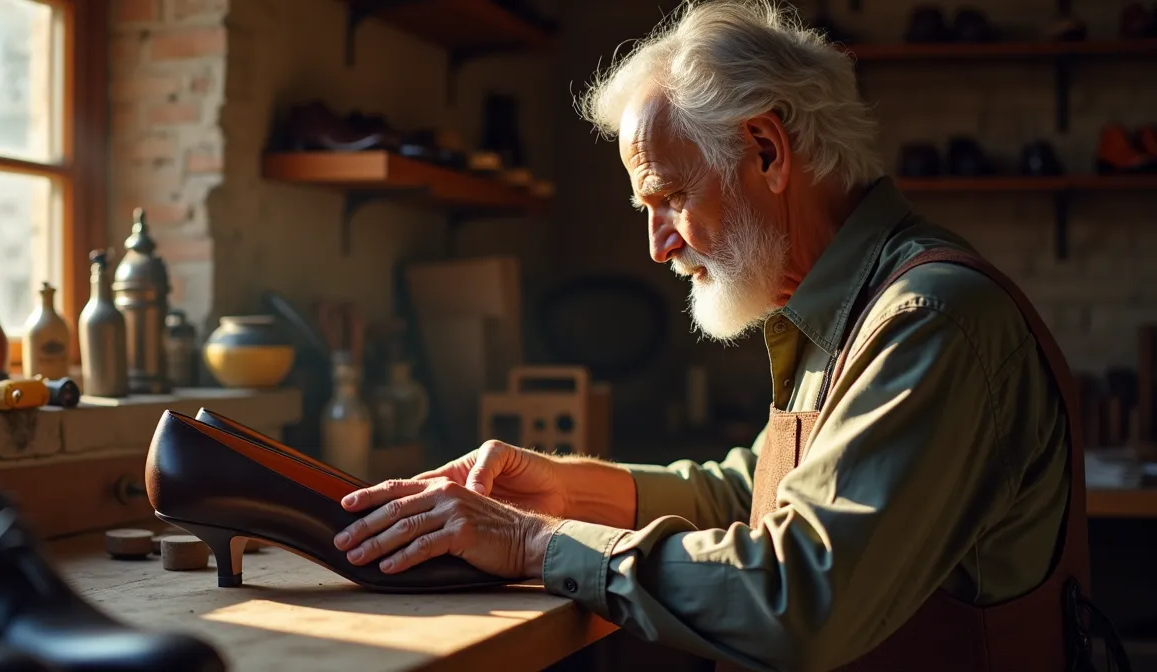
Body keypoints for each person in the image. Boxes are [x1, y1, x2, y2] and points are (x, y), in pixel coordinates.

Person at [331, 1, 1120, 670]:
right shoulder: (845, 305)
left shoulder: (929, 321)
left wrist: (538, 544)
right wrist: (568, 489)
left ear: (767, 150)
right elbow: (760, 495)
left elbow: (801, 591)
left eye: (669, 196)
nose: (657, 244)